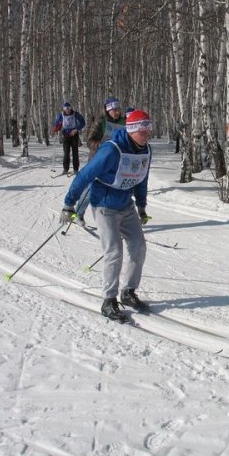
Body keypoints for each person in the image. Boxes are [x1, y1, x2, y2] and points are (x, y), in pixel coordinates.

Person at [60, 109, 153, 322]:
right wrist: (69, 203)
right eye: (142, 129)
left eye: (148, 128)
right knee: (114, 251)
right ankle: (108, 300)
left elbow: (142, 178)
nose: (147, 133)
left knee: (138, 246)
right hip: (104, 205)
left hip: (126, 205)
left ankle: (128, 292)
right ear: (131, 130)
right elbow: (85, 175)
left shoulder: (145, 150)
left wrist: (141, 205)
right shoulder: (111, 150)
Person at [73, 98, 127, 226]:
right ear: (108, 110)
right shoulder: (101, 122)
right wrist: (102, 144)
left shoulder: (124, 122)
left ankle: (116, 219)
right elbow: (89, 142)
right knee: (90, 190)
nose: (117, 112)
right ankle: (78, 214)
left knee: (117, 190)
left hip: (116, 162)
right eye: (114, 110)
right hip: (98, 160)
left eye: (118, 109)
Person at [53, 102, 85, 174]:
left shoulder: (75, 114)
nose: (68, 110)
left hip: (74, 135)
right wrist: (56, 128)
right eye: (66, 108)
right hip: (66, 135)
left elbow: (83, 122)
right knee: (66, 153)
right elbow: (56, 123)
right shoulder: (61, 115)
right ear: (63, 109)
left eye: (69, 108)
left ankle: (76, 169)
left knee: (75, 153)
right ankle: (65, 169)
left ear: (71, 108)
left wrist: (76, 129)